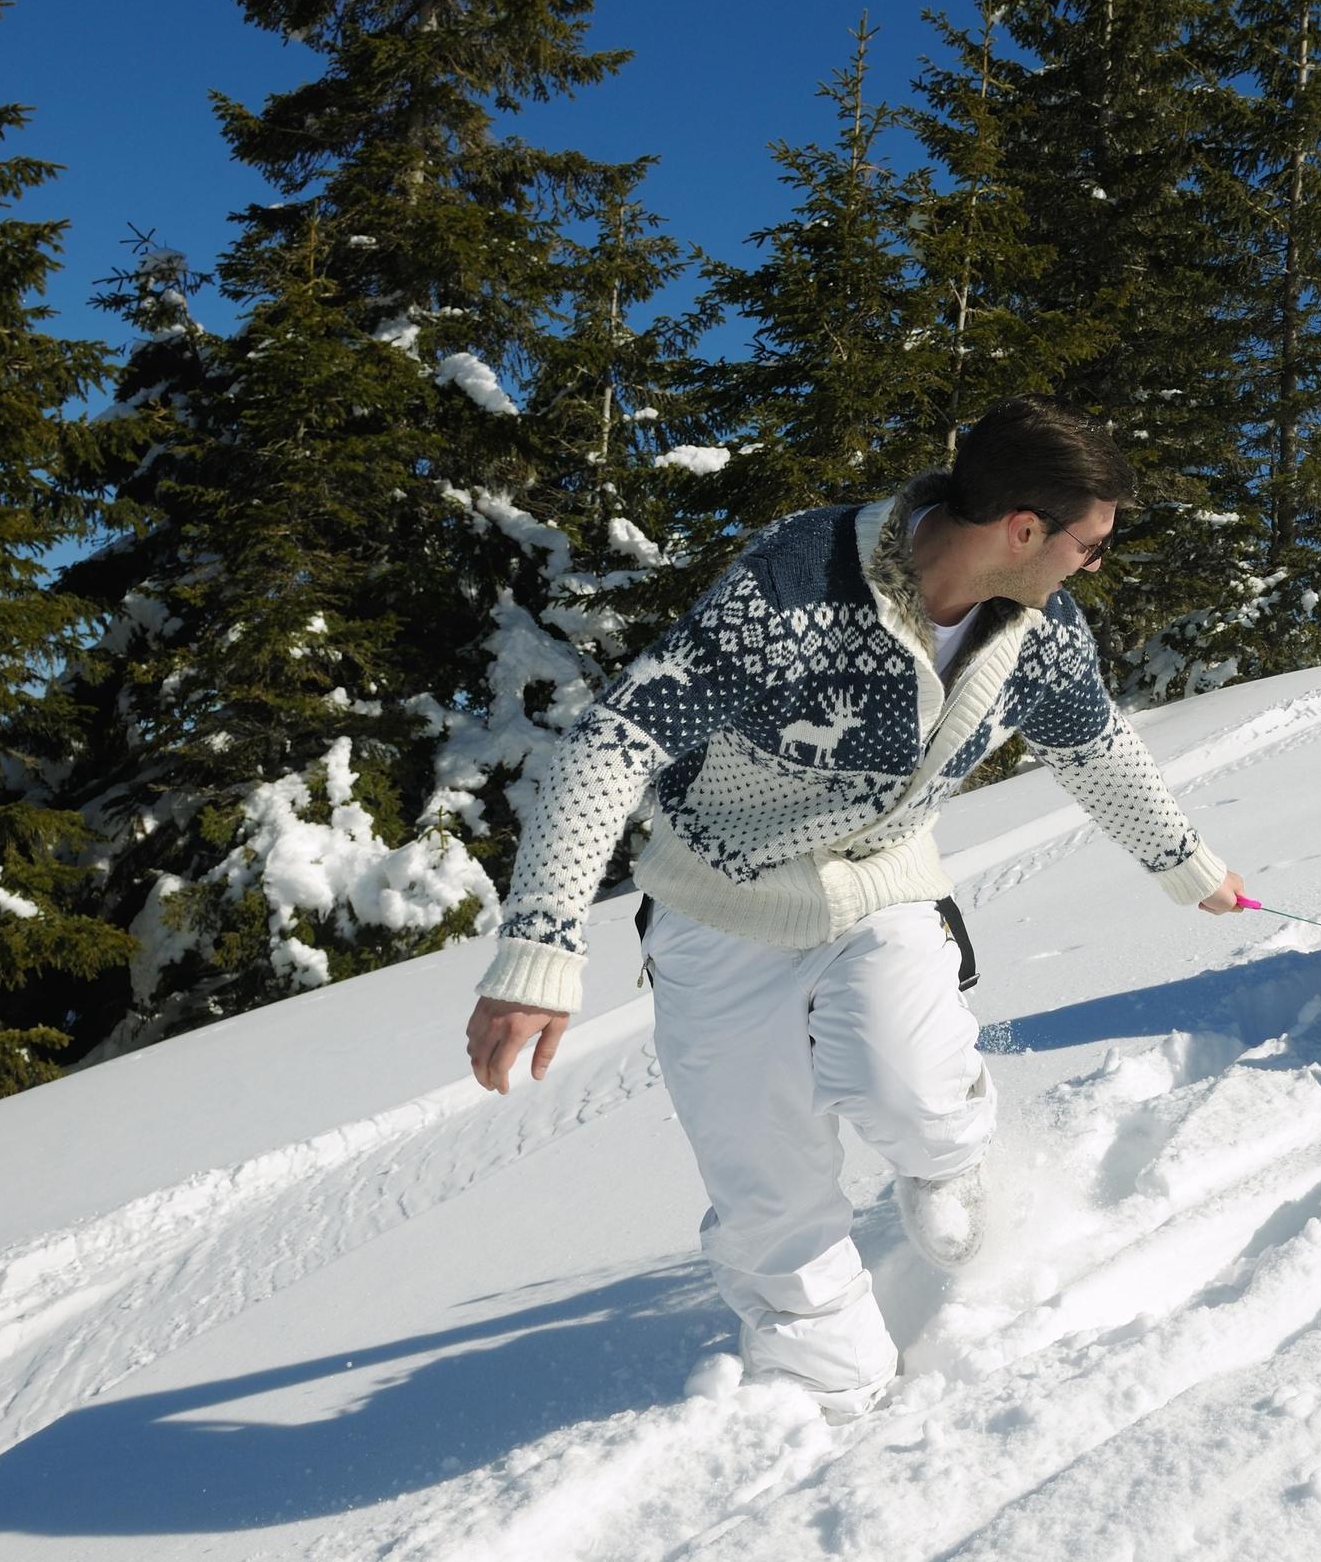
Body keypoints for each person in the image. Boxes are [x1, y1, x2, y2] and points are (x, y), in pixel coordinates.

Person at [464, 398, 1247, 1416]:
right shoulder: (792, 591)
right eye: (1086, 545)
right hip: (718, 899)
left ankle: (949, 1167)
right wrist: (538, 952)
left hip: (882, 881)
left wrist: (1184, 863)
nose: (1091, 565)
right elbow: (613, 744)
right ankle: (823, 1388)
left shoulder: (1041, 631)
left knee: (913, 1087)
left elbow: (1093, 744)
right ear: (1021, 529)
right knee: (765, 1180)